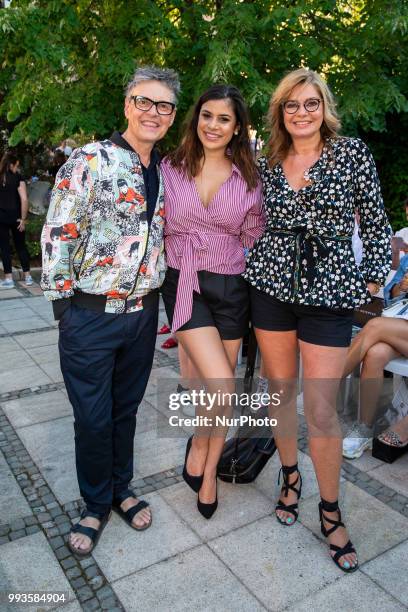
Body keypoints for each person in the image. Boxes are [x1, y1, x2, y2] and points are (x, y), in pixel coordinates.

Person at [244, 68, 392, 572]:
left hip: (329, 292)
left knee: (322, 409)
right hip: (270, 287)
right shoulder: (267, 160)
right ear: (280, 112)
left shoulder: (352, 153)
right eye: (291, 105)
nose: (301, 113)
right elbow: (250, 220)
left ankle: (331, 510)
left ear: (324, 107)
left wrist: (373, 280)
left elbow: (375, 220)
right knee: (280, 392)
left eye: (310, 103)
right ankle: (290, 476)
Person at [41, 66, 179, 555]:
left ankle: (121, 490)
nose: (153, 112)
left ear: (172, 116)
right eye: (144, 101)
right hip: (89, 316)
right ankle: (94, 504)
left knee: (124, 412)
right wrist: (64, 307)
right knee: (93, 418)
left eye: (163, 106)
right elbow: (59, 231)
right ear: (127, 105)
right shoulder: (89, 160)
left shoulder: (166, 170)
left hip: (142, 317)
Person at [161, 84, 264, 519]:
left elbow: (255, 237)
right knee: (221, 383)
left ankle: (207, 474)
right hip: (184, 282)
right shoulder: (169, 167)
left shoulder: (250, 178)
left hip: (231, 287)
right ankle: (201, 445)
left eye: (224, 118)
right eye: (207, 115)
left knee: (213, 388)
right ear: (196, 118)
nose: (213, 125)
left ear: (237, 126)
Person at [342, 256, 408, 459]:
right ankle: (364, 428)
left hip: (397, 329)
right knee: (376, 354)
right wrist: (402, 287)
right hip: (402, 325)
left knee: (374, 326)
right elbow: (390, 296)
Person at [0, 152, 33, 288]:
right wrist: (23, 219)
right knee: (21, 246)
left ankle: (9, 279)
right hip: (17, 217)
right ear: (11, 164)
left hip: (1, 218)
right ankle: (28, 277)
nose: (17, 169)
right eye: (16, 166)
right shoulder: (18, 177)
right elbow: (24, 199)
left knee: (4, 248)